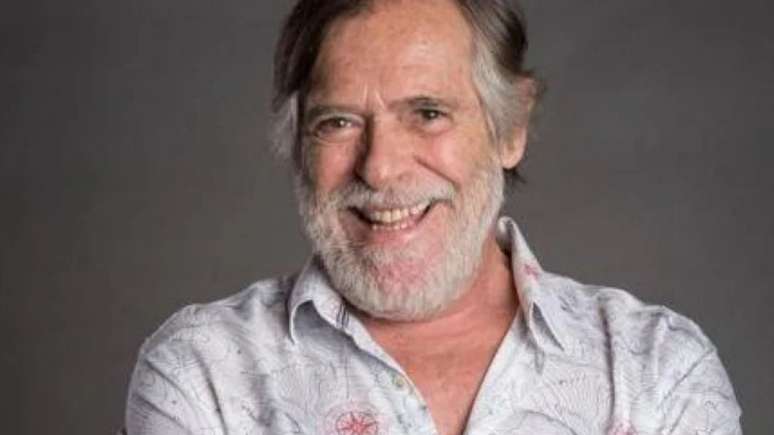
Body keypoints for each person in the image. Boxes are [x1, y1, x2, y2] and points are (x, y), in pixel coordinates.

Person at [123, 0, 742, 433]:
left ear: (511, 129)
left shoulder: (657, 371)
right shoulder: (203, 376)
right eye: (338, 122)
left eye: (427, 114)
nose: (380, 168)